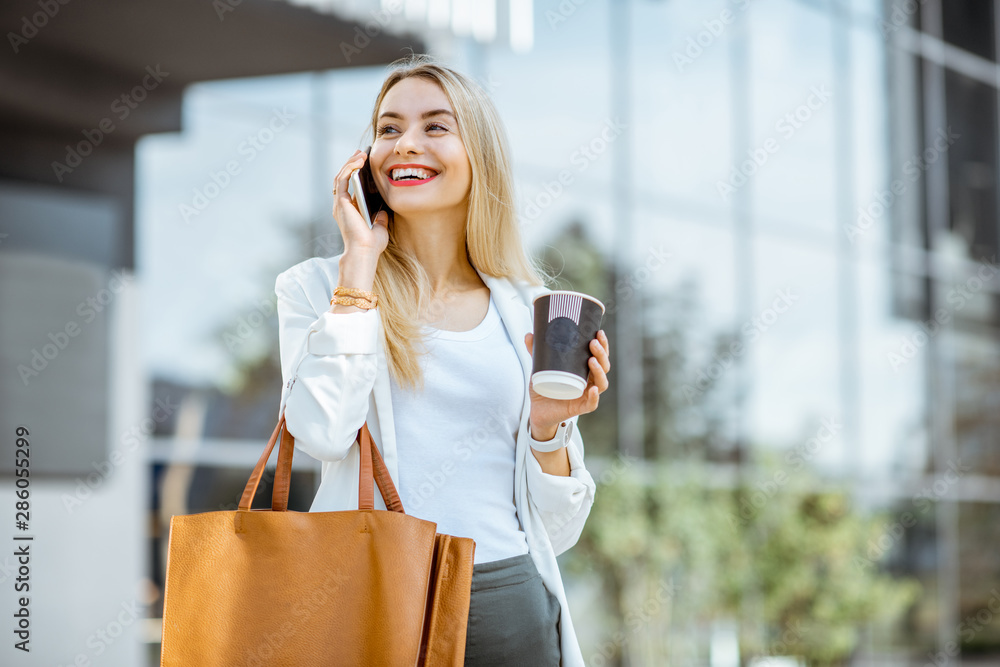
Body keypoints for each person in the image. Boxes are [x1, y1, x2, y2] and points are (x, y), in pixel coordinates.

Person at [274, 54, 611, 667]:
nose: (406, 144)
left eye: (435, 126)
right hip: (370, 599)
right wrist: (358, 270)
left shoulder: (529, 309)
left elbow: (557, 534)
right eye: (388, 128)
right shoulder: (317, 288)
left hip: (507, 604)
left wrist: (547, 427)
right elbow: (321, 433)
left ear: (478, 154)